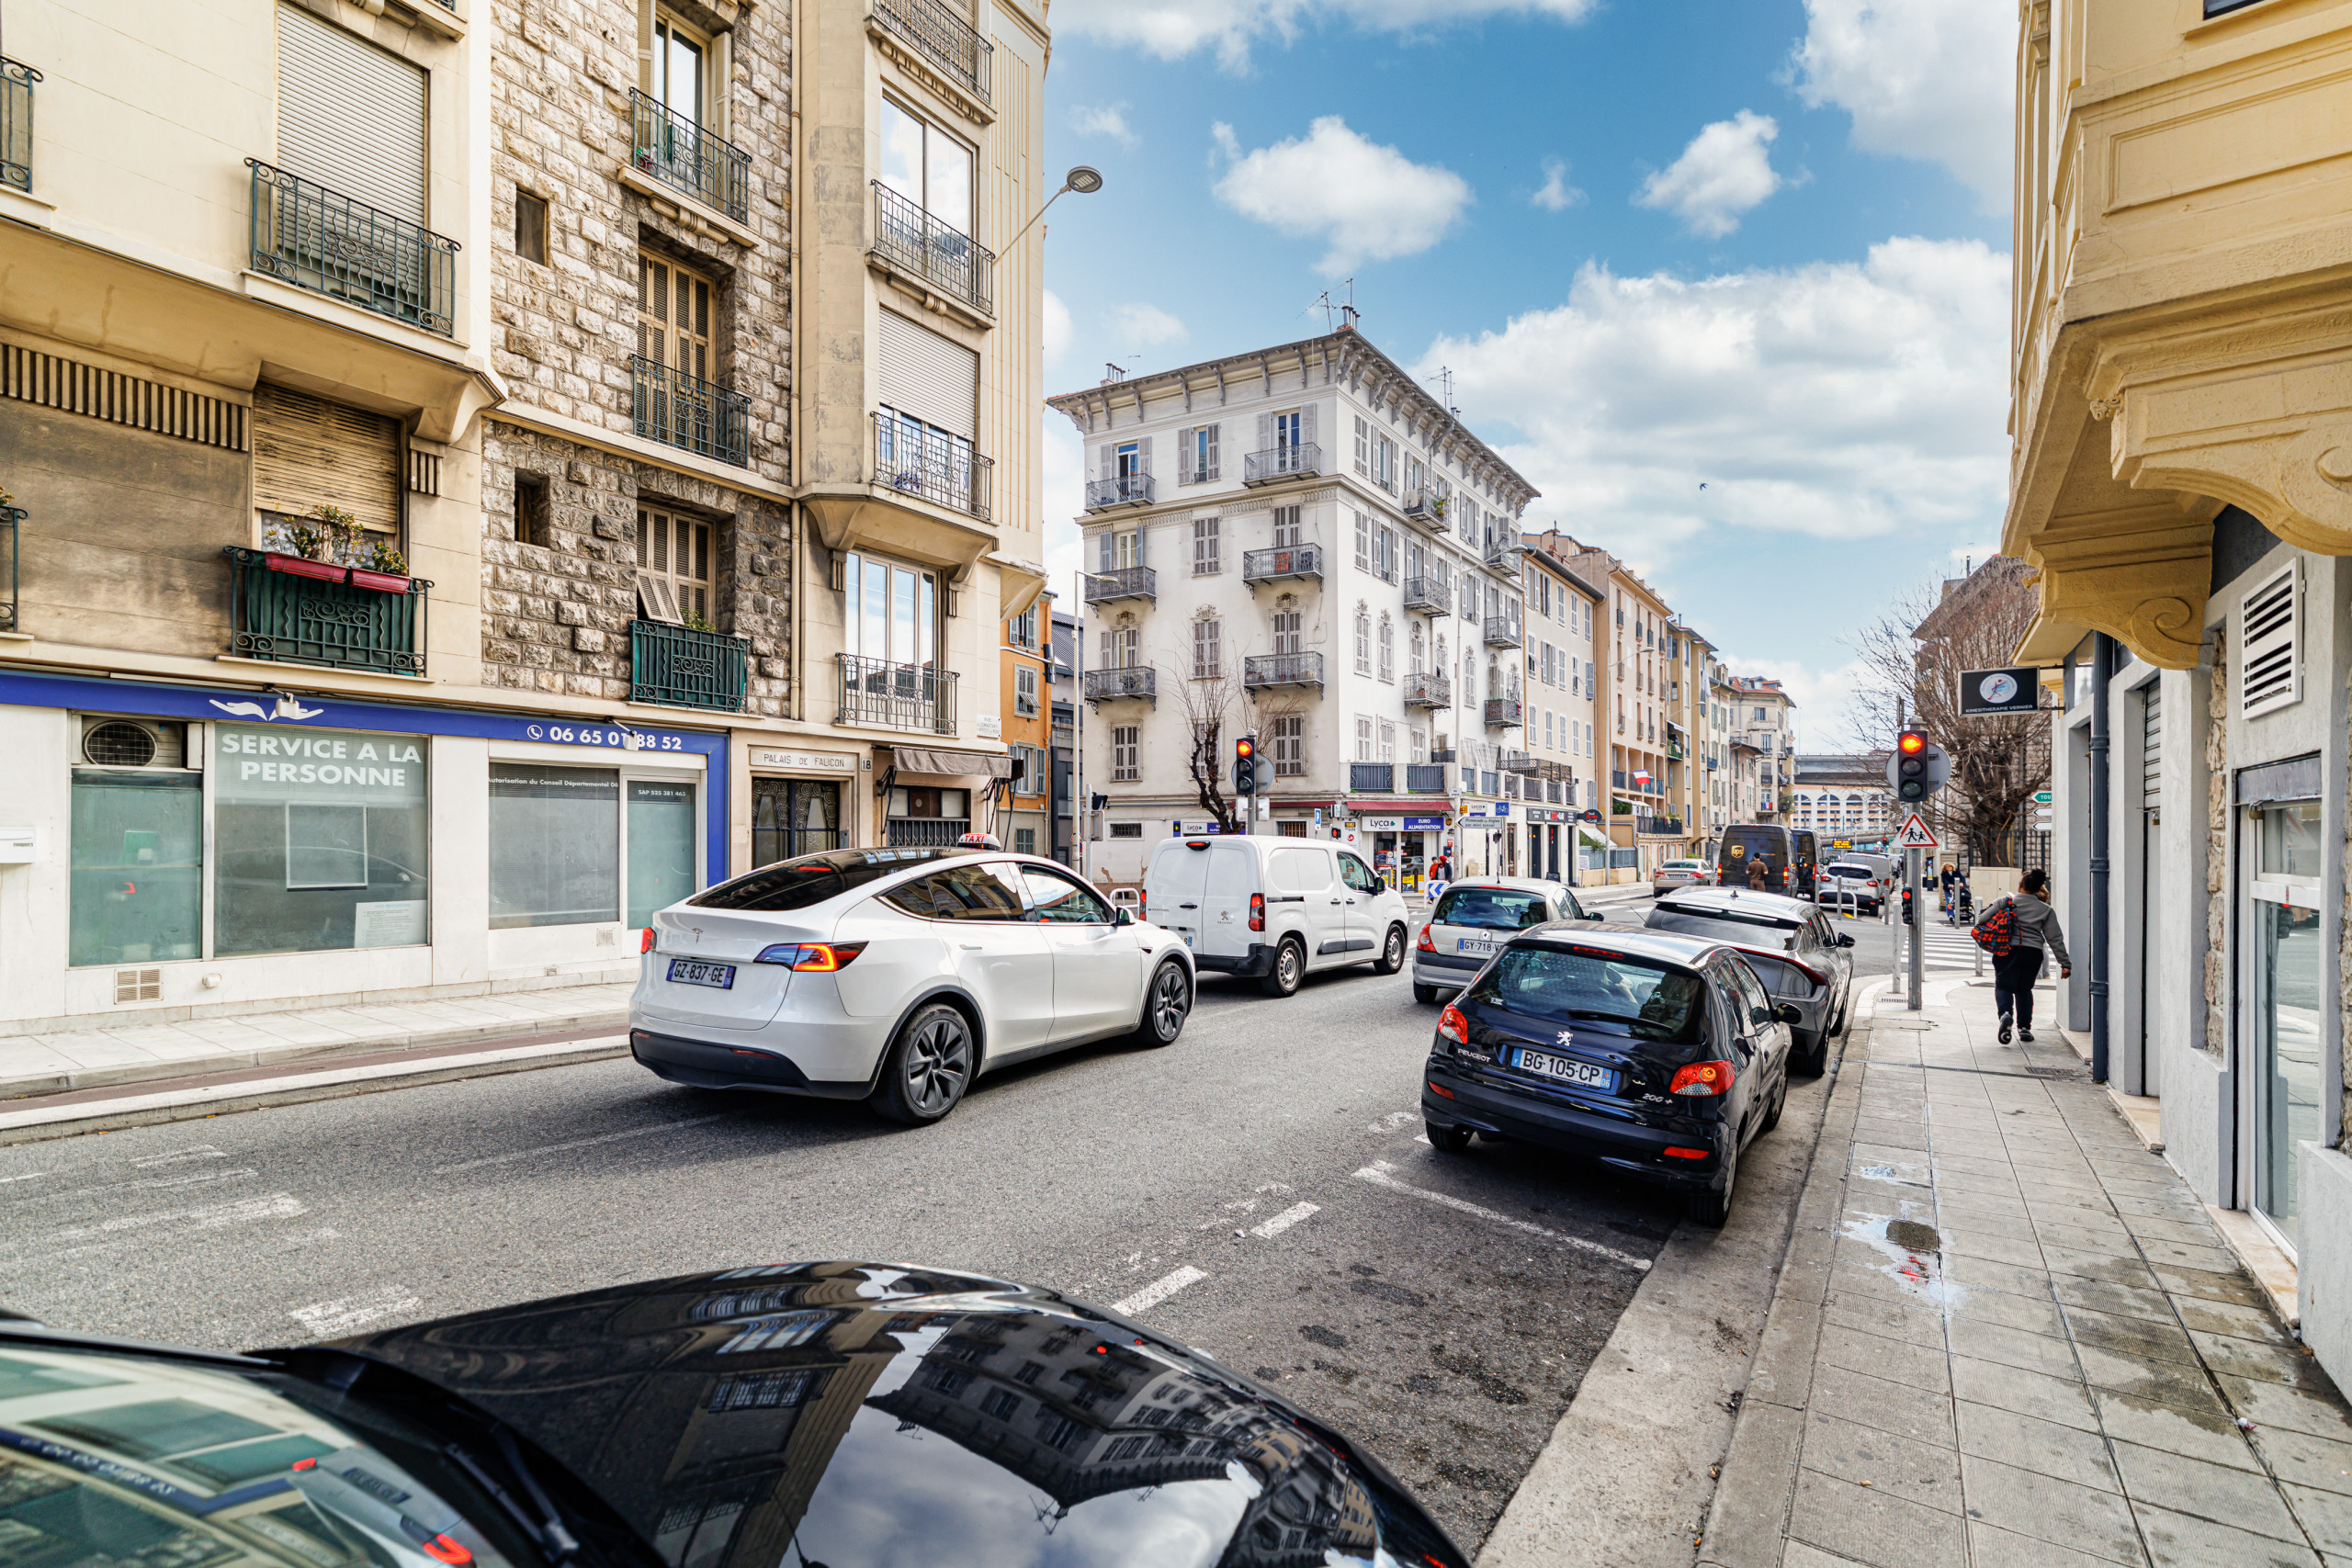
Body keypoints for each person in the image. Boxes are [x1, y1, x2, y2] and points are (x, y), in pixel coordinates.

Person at [1996, 867, 2072, 1043]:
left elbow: (1982, 919)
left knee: (2003, 987)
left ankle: (2005, 1014)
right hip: (2033, 952)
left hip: (2007, 950)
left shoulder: (2005, 902)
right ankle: (2024, 1028)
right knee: (2024, 989)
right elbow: (2055, 938)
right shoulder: (2045, 909)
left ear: (2020, 884)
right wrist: (2065, 963)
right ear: (2039, 888)